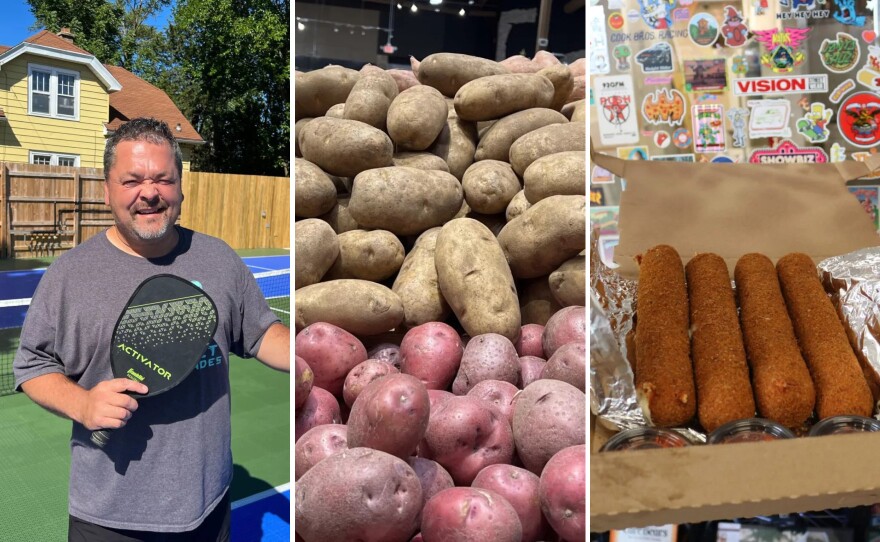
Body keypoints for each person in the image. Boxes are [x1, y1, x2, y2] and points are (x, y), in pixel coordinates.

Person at [13, 117, 290, 541]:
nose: (150, 192)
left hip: (208, 505)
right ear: (107, 190)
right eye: (132, 180)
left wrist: (308, 351)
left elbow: (258, 333)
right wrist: (83, 404)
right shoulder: (69, 275)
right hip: (109, 518)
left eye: (163, 178)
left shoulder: (218, 259)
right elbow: (32, 365)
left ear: (180, 188)